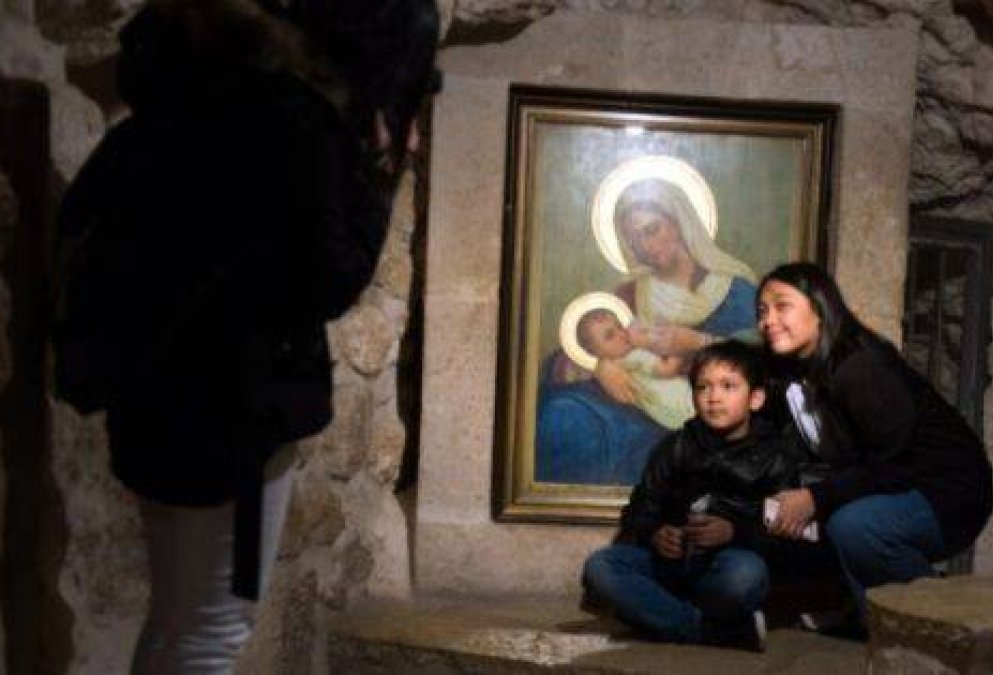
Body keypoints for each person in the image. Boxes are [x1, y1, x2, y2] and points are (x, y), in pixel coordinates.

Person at [50, 0, 439, 672]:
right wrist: (380, 167)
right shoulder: (285, 123)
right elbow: (331, 274)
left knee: (179, 617)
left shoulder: (177, 109)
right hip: (228, 407)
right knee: (210, 629)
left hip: (161, 396)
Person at [756, 262, 993, 623]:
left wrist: (814, 499)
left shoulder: (860, 367)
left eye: (782, 306)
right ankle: (868, 622)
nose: (768, 320)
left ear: (819, 309)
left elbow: (896, 463)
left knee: (855, 527)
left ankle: (949, 625)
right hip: (896, 483)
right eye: (762, 311)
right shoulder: (795, 371)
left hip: (947, 489)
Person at [582, 340, 803, 652]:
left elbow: (787, 535)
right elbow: (640, 508)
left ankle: (662, 615)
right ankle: (709, 630)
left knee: (745, 576)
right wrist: (656, 533)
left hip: (726, 566)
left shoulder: (776, 456)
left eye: (728, 386)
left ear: (755, 398)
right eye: (703, 388)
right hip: (672, 565)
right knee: (601, 567)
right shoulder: (675, 446)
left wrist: (734, 531)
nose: (714, 397)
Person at [536, 178, 759, 485]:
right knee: (561, 411)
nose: (645, 247)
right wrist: (600, 366)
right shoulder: (630, 294)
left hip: (709, 413)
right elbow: (576, 348)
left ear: (679, 222)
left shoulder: (736, 290)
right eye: (634, 239)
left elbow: (768, 358)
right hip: (637, 408)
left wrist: (697, 341)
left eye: (652, 229)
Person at [574, 306, 693, 430]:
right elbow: (667, 369)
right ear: (595, 352)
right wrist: (679, 347)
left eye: (619, 326)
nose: (621, 334)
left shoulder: (618, 363)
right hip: (682, 401)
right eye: (609, 336)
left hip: (670, 417)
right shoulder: (632, 356)